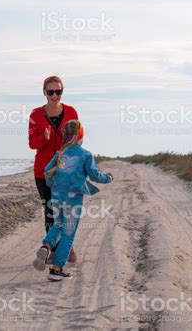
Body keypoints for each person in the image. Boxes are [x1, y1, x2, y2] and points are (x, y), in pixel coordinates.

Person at [32, 120, 113, 281]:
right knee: (68, 234)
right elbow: (95, 175)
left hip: (56, 198)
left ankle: (46, 246)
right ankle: (56, 269)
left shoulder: (60, 153)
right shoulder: (85, 155)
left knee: (58, 225)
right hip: (73, 201)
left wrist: (51, 184)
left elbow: (47, 170)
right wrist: (108, 178)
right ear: (80, 135)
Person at [28, 75, 79, 263]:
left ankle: (67, 247)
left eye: (58, 91)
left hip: (66, 171)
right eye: (51, 92)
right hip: (43, 171)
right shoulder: (35, 115)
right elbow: (32, 144)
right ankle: (53, 249)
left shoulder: (71, 112)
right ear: (44, 93)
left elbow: (79, 138)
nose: (55, 95)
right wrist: (45, 138)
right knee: (50, 210)